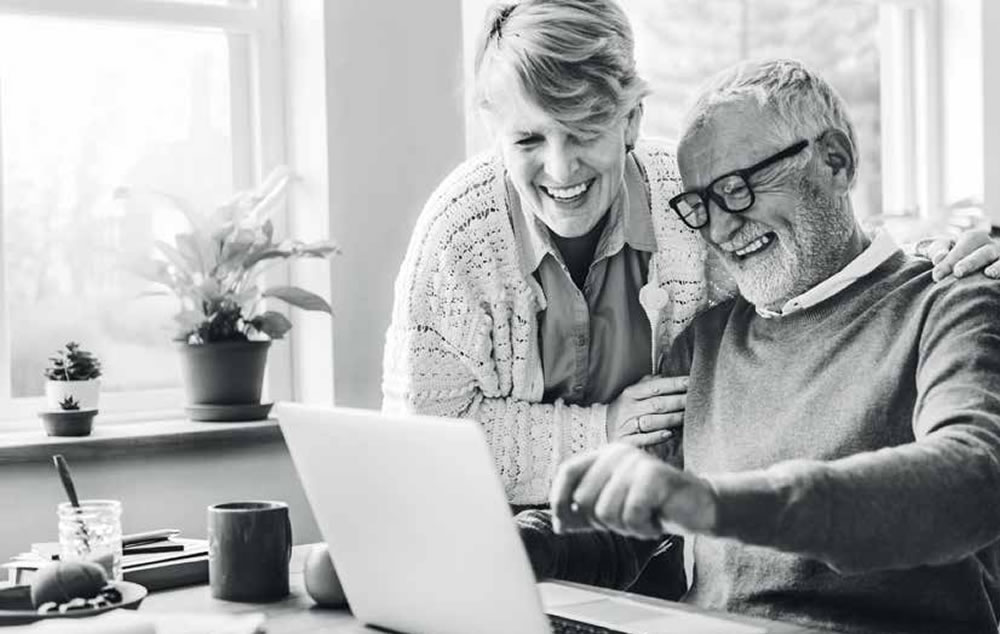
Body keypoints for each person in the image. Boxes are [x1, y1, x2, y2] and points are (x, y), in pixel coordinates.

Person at [381, 0, 998, 509]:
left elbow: (804, 252)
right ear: (495, 133)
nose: (561, 167)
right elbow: (428, 440)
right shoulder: (461, 232)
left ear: (629, 121)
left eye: (584, 131)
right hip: (494, 520)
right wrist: (599, 433)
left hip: (646, 520)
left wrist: (929, 265)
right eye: (528, 138)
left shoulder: (687, 197)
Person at [544, 59, 1000, 634]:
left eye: (737, 189)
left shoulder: (950, 302)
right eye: (701, 206)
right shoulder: (704, 342)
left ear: (836, 160)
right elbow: (628, 531)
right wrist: (518, 542)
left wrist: (714, 504)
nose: (721, 230)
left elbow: (974, 480)